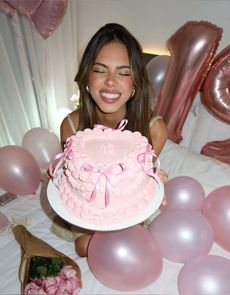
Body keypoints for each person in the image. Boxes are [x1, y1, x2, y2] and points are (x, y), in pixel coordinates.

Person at [60, 23, 168, 257]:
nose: (110, 82)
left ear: (135, 83)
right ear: (87, 76)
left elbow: (135, 185)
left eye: (123, 72)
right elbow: (75, 181)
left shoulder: (155, 130)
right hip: (87, 205)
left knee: (133, 240)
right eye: (100, 70)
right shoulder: (70, 127)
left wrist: (154, 178)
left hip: (125, 205)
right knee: (83, 247)